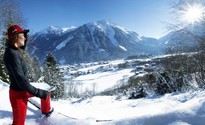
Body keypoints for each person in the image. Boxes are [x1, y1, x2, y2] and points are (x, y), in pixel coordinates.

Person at [3, 25, 54, 125]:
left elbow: (22, 47)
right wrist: (38, 92)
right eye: (23, 35)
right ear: (16, 36)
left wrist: (23, 35)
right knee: (19, 123)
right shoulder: (12, 54)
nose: (25, 37)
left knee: (46, 93)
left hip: (23, 90)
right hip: (18, 95)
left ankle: (46, 111)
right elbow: (22, 81)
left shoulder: (16, 50)